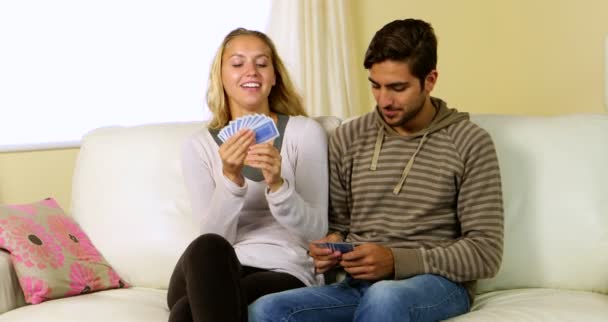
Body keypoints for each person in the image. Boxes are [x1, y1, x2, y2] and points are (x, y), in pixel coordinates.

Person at [249, 18, 504, 322]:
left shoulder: (470, 142)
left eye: (398, 88)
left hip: (438, 284)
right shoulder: (350, 137)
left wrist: (397, 261)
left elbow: (485, 252)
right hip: (360, 285)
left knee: (386, 296)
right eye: (376, 85)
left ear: (430, 80)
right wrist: (329, 247)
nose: (384, 100)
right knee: (266, 309)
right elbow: (339, 225)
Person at [167, 28, 329, 322]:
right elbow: (215, 236)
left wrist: (279, 186)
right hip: (212, 264)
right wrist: (230, 179)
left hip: (282, 268)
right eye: (238, 63)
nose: (251, 71)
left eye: (262, 63)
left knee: (185, 312)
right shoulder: (198, 146)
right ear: (221, 75)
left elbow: (316, 233)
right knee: (207, 246)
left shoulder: (304, 133)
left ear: (274, 75)